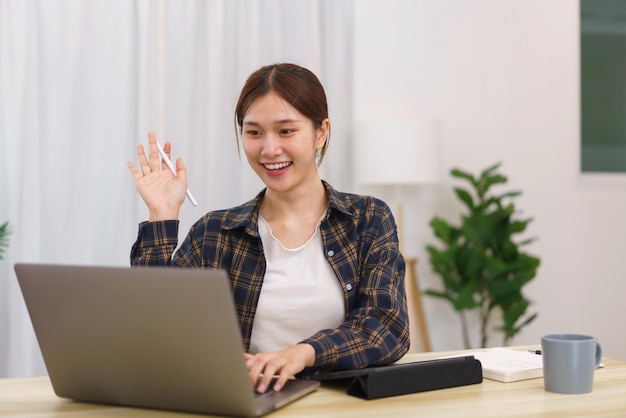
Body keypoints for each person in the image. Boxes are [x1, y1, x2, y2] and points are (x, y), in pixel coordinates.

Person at [127, 63, 410, 394]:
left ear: (321, 132)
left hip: (340, 404)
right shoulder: (215, 233)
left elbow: (387, 327)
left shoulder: (367, 218)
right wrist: (161, 214)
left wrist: (303, 354)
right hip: (247, 404)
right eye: (254, 132)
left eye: (286, 131)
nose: (269, 149)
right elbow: (155, 332)